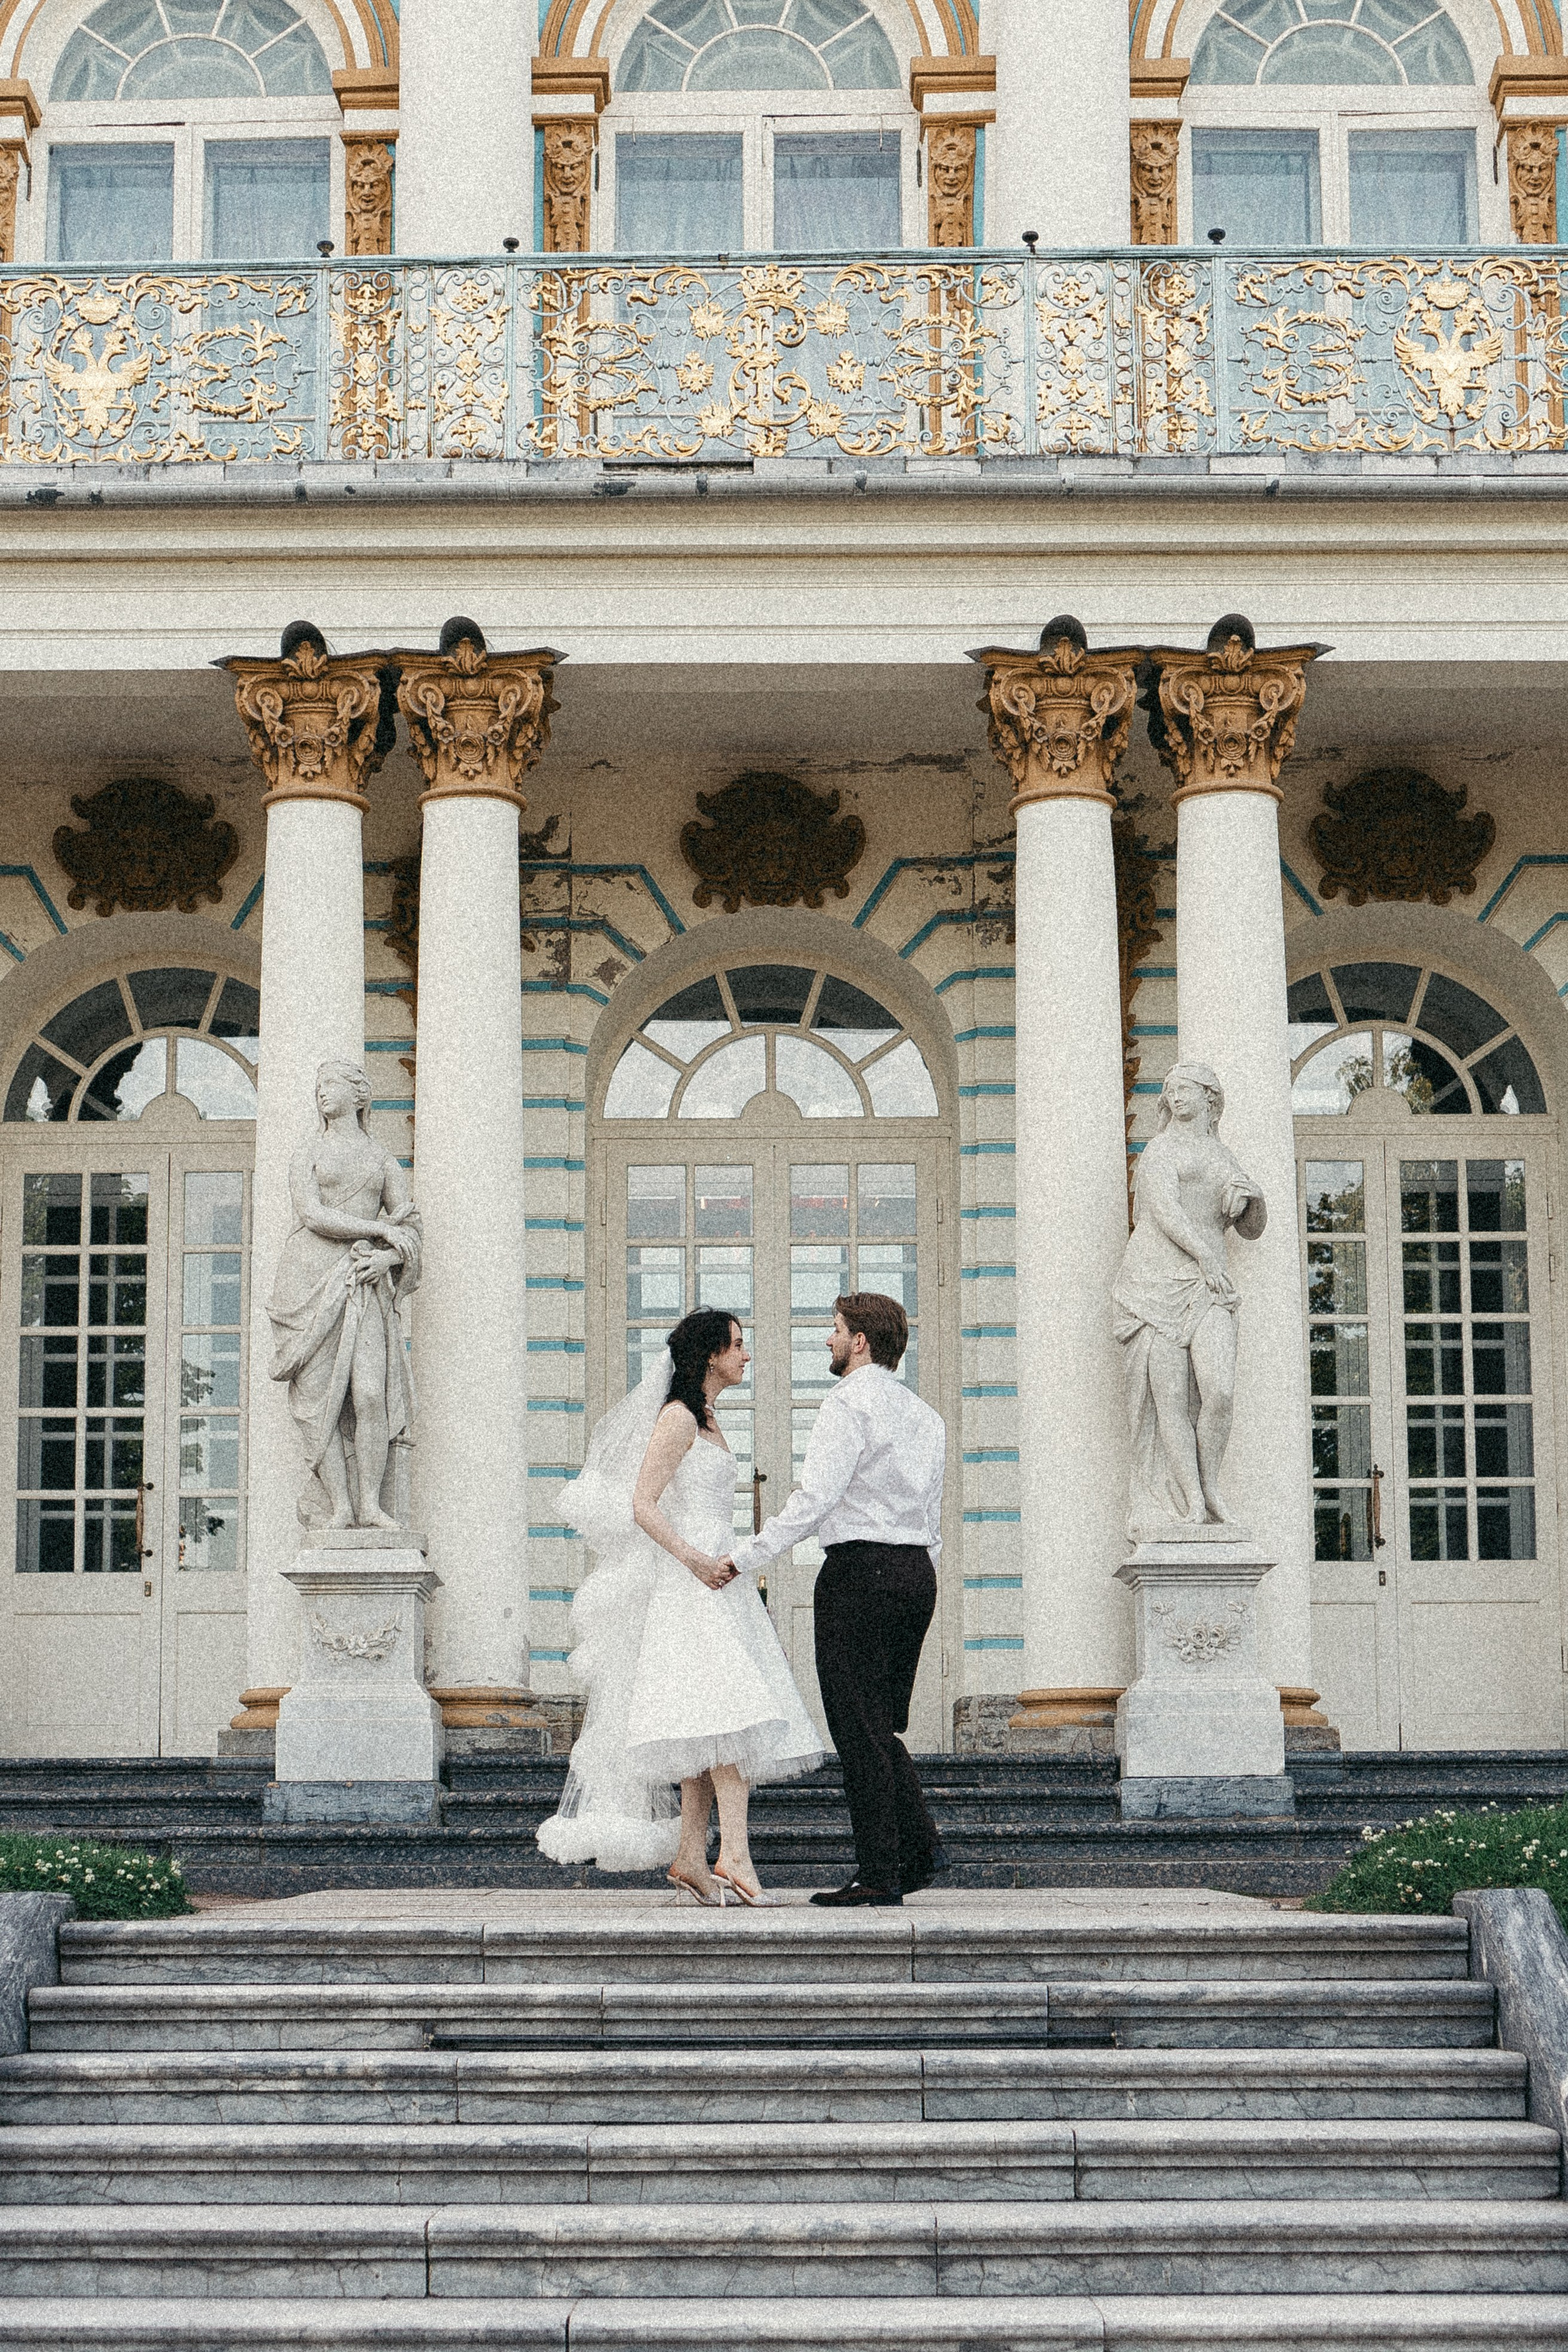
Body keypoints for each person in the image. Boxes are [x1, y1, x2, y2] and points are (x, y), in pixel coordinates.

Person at [536, 1308, 822, 1903]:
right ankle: (735, 1855)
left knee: (706, 1722)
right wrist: (692, 1559)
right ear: (711, 1353)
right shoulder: (677, 1418)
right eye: (738, 1345)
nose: (746, 1356)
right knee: (729, 1716)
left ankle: (692, 1855)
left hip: (721, 1578)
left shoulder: (710, 1418)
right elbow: (642, 1504)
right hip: (691, 1583)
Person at [728, 1293, 947, 1909]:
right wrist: (919, 1572)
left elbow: (814, 1499)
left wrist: (744, 1556)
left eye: (834, 1330)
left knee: (857, 1729)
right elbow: (930, 1514)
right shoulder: (925, 1415)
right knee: (880, 1725)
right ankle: (919, 1851)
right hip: (913, 1574)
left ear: (860, 1342)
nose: (827, 1340)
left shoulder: (846, 1403)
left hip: (859, 1572)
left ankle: (880, 1872)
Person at [1111, 1060, 1265, 1540]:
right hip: (1155, 1282)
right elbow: (1165, 1212)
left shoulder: (1225, 1158)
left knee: (1219, 1390)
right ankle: (1194, 1503)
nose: (1175, 1097)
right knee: (1170, 1401)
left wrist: (1254, 1197)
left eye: (1185, 1089)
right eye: (1170, 1090)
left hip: (1208, 1286)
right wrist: (1206, 1255)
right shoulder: (1161, 1149)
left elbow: (1253, 1230)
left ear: (1210, 1098)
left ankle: (1211, 1485)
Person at [267, 1059, 421, 1529]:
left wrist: (387, 1259)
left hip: (363, 1282)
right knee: (320, 1403)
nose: (321, 1093)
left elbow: (411, 1227)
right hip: (307, 1280)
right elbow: (312, 1214)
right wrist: (378, 1230)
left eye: (331, 1084)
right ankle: (341, 1506)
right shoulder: (307, 1153)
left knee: (371, 1394)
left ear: (361, 1097)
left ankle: (371, 1503)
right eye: (318, 1086)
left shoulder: (380, 1159)